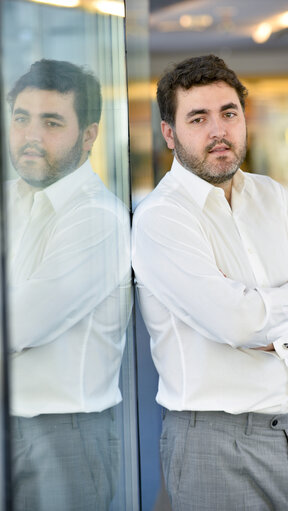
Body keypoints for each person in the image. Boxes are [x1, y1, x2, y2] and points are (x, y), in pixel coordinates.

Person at [132, 55, 288, 511]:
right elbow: (237, 323)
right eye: (198, 118)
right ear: (169, 134)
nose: (219, 131)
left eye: (229, 113)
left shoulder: (271, 195)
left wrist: (268, 330)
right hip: (215, 447)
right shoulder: (162, 218)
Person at [7, 59, 131, 510]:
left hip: (64, 437)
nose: (31, 136)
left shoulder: (99, 218)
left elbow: (17, 325)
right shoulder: (9, 200)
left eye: (52, 122)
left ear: (90, 135)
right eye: (21, 119)